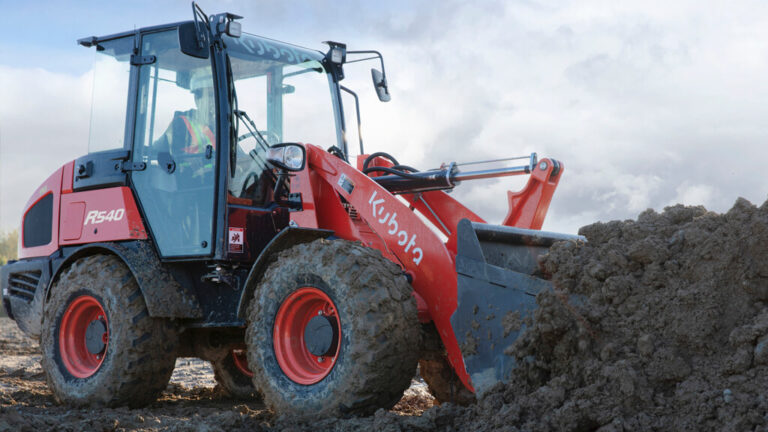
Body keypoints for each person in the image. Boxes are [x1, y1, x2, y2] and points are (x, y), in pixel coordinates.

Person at [153, 69, 216, 177]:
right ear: (197, 98)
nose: (213, 101)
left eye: (216, 96)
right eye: (210, 95)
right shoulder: (181, 124)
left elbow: (237, 157)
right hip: (192, 186)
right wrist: (186, 161)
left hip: (216, 184)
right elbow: (159, 153)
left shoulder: (220, 127)